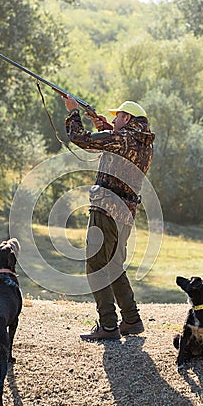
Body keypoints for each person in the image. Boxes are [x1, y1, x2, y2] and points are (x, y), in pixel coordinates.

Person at [63, 96, 155, 341]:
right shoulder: (143, 142)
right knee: (114, 266)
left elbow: (80, 139)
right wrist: (104, 126)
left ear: (127, 119)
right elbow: (118, 147)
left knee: (95, 264)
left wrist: (73, 113)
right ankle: (132, 320)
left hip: (106, 210)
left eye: (118, 117)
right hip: (126, 214)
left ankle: (109, 325)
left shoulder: (123, 138)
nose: (114, 119)